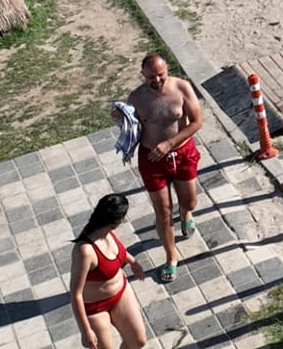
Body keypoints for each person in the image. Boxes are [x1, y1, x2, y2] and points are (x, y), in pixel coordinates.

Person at [126, 52, 203, 284]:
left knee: (189, 201)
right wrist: (120, 120)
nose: (157, 80)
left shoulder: (182, 88)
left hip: (182, 154)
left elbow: (197, 122)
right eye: (151, 77)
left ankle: (186, 213)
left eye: (160, 75)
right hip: (152, 159)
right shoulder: (136, 98)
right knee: (163, 212)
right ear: (143, 75)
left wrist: (170, 142)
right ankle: (171, 257)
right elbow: (129, 127)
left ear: (166, 69)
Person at [69, 193, 148, 349]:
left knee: (138, 341)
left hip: (120, 294)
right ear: (115, 222)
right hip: (95, 308)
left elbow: (119, 251)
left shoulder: (107, 232)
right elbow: (75, 294)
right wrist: (85, 331)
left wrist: (133, 262)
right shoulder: (85, 252)